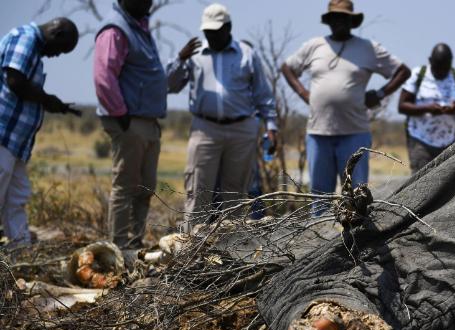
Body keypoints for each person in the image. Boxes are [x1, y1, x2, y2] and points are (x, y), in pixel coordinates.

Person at [281, 0, 410, 213]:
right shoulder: (315, 45)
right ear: (329, 21)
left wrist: (379, 94)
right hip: (318, 133)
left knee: (356, 196)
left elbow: (402, 71)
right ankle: (318, 242)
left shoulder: (368, 48)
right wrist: (304, 93)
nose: (339, 22)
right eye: (335, 17)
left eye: (344, 18)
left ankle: (357, 243)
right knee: (319, 197)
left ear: (352, 21)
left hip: (355, 133)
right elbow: (288, 67)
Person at [167, 3, 278, 229]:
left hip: (241, 129)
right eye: (207, 31)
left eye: (216, 30)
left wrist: (271, 126)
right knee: (198, 191)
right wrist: (179, 59)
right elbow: (169, 85)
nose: (211, 35)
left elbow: (263, 94)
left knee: (235, 193)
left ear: (228, 28)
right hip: (204, 128)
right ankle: (191, 249)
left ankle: (231, 251)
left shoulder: (247, 54)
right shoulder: (194, 54)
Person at [94, 0, 167, 249]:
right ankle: (118, 247)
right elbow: (104, 76)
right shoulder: (116, 29)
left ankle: (134, 244)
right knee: (125, 186)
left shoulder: (139, 28)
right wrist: (120, 113)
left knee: (145, 186)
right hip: (129, 120)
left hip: (147, 121)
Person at [0, 18, 80, 247]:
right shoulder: (26, 39)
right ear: (56, 33)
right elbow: (15, 81)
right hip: (3, 134)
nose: (57, 56)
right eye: (60, 50)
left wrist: (53, 104)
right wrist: (47, 99)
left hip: (15, 143)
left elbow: (24, 88)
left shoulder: (32, 47)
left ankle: (20, 251)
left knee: (16, 197)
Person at [398, 43, 455, 173]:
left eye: (446, 67)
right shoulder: (417, 75)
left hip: (449, 142)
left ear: (451, 62)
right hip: (420, 141)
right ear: (430, 61)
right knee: (420, 184)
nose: (442, 71)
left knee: (447, 183)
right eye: (438, 66)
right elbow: (402, 106)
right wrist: (427, 109)